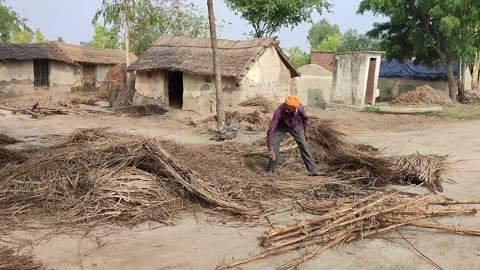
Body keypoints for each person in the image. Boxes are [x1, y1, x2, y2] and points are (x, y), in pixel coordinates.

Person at [266, 96, 319, 176]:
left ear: (294, 109)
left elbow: (305, 119)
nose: (286, 110)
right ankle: (270, 170)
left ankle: (312, 170)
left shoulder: (300, 108)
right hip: (282, 127)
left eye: (288, 109)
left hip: (296, 127)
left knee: (305, 145)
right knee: (274, 145)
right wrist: (270, 149)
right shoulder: (280, 109)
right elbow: (271, 128)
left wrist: (306, 131)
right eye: (285, 108)